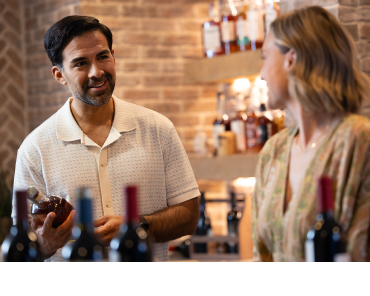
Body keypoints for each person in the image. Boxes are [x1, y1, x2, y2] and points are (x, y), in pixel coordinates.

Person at [12, 16, 200, 262]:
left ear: (113, 55)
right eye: (80, 63)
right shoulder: (35, 149)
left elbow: (189, 216)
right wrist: (44, 246)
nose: (96, 72)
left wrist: (139, 227)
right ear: (59, 74)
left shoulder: (159, 129)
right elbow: (22, 251)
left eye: (102, 57)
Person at [252, 6, 370, 262]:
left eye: (265, 57)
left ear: (291, 59)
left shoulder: (358, 140)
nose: (261, 75)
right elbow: (261, 256)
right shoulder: (273, 151)